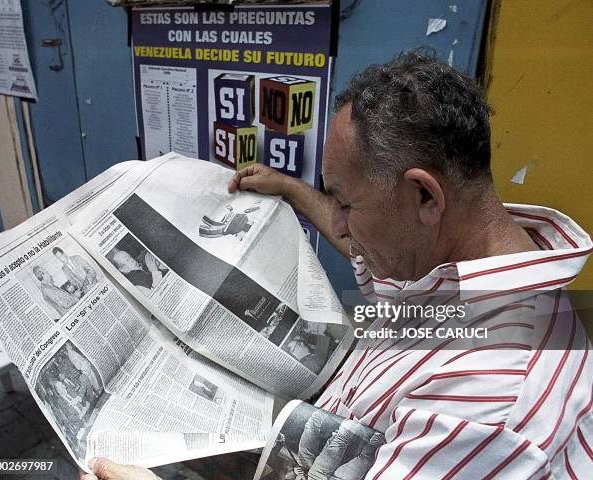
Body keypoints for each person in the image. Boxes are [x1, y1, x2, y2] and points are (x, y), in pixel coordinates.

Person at [82, 51, 591, 479]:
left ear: (424, 195)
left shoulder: (488, 401)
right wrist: (293, 191)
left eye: (347, 202)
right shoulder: (441, 252)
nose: (342, 226)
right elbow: (362, 249)